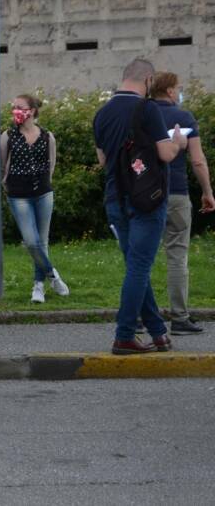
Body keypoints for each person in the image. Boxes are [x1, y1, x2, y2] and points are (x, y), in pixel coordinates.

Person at [94, 58, 187, 354]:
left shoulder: (102, 114)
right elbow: (165, 153)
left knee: (136, 266)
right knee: (139, 267)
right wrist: (177, 142)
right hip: (147, 199)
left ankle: (158, 333)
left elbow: (103, 161)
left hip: (115, 199)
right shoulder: (147, 109)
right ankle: (124, 335)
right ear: (148, 80)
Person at [150, 72, 213, 334]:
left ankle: (144, 314)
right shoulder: (183, 118)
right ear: (170, 91)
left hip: (145, 194)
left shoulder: (141, 115)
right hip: (175, 192)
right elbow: (197, 161)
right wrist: (207, 191)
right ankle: (179, 317)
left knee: (143, 257)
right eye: (178, 88)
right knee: (177, 254)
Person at [0, 95, 70, 304]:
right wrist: (8, 184)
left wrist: (44, 184)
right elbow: (3, 165)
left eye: (19, 107)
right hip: (18, 194)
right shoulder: (8, 136)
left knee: (43, 241)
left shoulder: (48, 136)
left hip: (43, 193)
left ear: (32, 110)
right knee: (31, 241)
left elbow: (52, 164)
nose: (15, 111)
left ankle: (38, 286)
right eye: (13, 107)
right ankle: (53, 275)